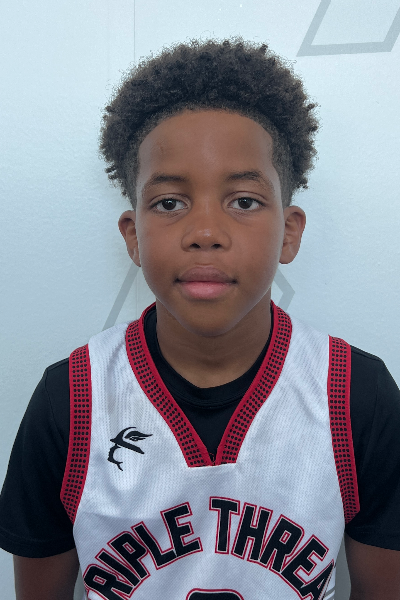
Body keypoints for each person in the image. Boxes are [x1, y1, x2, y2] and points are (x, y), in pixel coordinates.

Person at [1, 38, 399, 600]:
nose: (205, 232)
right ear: (133, 235)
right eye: (169, 203)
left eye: (243, 201)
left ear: (289, 232)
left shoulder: (357, 394)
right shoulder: (70, 399)